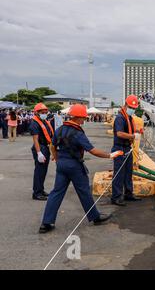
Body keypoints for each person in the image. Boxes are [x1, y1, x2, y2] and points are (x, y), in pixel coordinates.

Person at [39, 104, 124, 233]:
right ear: (78, 117)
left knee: (56, 192)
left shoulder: (60, 129)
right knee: (84, 191)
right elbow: (93, 151)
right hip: (74, 166)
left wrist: (57, 159)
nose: (84, 120)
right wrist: (110, 155)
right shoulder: (77, 133)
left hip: (61, 164)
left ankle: (46, 222)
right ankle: (95, 217)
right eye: (83, 118)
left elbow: (52, 145)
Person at [111, 95, 142, 206]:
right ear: (125, 105)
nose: (132, 109)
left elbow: (131, 129)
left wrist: (138, 131)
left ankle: (128, 193)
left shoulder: (129, 118)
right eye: (131, 107)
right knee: (119, 173)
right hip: (119, 148)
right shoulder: (120, 118)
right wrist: (133, 137)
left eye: (134, 108)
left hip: (127, 148)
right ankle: (116, 197)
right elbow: (119, 133)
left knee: (128, 172)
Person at [30, 103, 54, 201]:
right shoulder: (34, 123)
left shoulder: (44, 121)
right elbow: (35, 139)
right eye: (42, 112)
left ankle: (41, 189)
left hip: (46, 147)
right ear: (37, 113)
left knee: (43, 171)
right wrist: (39, 153)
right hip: (40, 147)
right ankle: (37, 193)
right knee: (39, 171)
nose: (44, 113)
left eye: (45, 112)